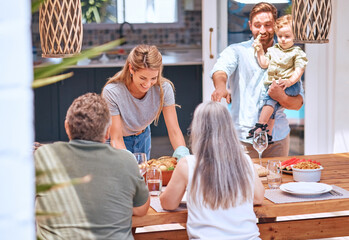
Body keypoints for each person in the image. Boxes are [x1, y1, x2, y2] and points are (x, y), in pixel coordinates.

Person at [35, 93, 150, 240]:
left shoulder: (44, 156)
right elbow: (141, 209)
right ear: (108, 132)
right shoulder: (127, 160)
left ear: (67, 127)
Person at [210, 2, 304, 158]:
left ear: (275, 26)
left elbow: (298, 103)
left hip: (278, 138)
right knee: (244, 183)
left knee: (276, 180)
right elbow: (220, 70)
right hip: (242, 140)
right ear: (250, 25)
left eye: (268, 25)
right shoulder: (237, 51)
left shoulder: (289, 56)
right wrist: (221, 87)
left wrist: (280, 96)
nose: (262, 30)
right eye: (257, 25)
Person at [160, 101, 265, 239]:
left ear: (197, 130)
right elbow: (258, 198)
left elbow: (168, 204)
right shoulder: (244, 160)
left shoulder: (188, 164)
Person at [102, 44, 189, 160]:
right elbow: (116, 138)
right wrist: (129, 164)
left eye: (153, 78)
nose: (148, 84)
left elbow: (174, 130)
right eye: (143, 78)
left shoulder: (164, 89)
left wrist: (183, 156)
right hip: (117, 141)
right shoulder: (112, 92)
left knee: (143, 177)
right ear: (131, 69)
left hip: (143, 138)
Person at [248, 14, 308, 143]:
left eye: (287, 36)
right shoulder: (274, 50)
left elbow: (299, 70)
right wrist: (259, 51)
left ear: (295, 37)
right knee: (273, 110)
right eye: (280, 36)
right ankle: (267, 135)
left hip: (290, 85)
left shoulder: (297, 52)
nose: (283, 40)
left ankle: (260, 125)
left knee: (269, 100)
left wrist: (289, 81)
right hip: (277, 84)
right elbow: (264, 63)